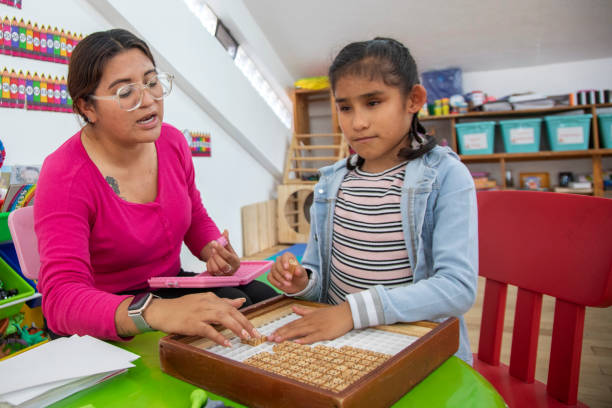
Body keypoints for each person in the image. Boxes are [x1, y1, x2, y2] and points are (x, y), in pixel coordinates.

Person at [34, 29, 276, 346]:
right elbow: (61, 300)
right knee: (230, 327)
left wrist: (215, 250)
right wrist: (153, 311)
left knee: (262, 301)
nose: (148, 100)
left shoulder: (172, 142)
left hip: (166, 290)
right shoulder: (65, 174)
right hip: (105, 317)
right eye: (125, 93)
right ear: (87, 107)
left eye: (151, 82)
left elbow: (194, 216)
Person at [267, 37, 478, 364]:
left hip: (410, 347)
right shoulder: (332, 181)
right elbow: (320, 277)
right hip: (337, 345)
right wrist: (302, 282)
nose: (357, 122)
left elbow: (457, 289)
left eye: (373, 102)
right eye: (345, 107)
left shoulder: (445, 176)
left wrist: (352, 312)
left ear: (413, 100)